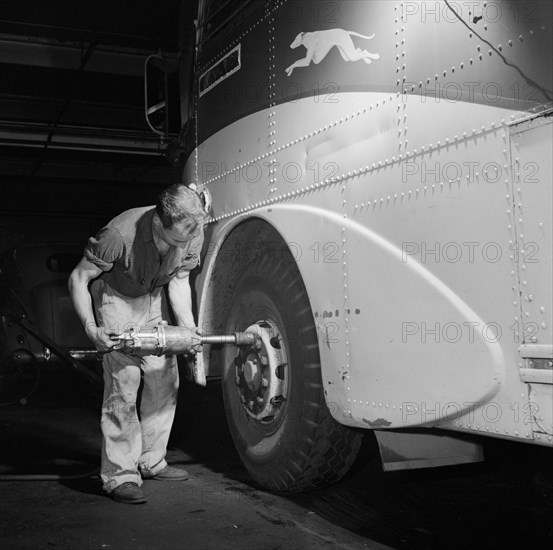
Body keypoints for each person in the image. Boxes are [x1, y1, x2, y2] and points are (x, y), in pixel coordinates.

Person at [68, 184, 207, 504]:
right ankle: (119, 475)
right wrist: (91, 328)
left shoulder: (192, 232)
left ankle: (150, 460)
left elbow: (180, 280)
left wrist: (187, 330)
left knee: (164, 379)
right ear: (158, 222)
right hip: (116, 298)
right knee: (124, 382)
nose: (183, 244)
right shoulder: (118, 235)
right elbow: (78, 279)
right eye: (176, 240)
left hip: (153, 297)